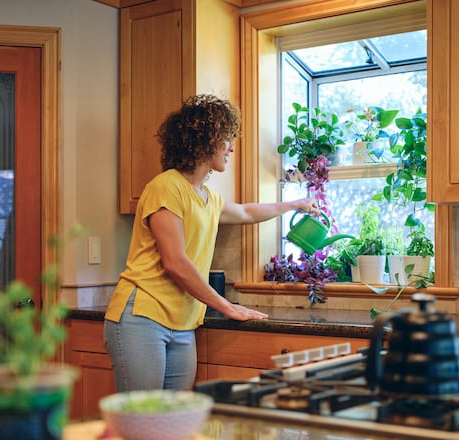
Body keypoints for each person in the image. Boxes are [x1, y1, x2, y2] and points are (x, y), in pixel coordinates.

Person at [104, 94, 319, 392]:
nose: (231, 147)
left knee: (174, 423)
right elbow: (175, 262)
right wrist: (225, 305)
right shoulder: (166, 187)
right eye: (226, 139)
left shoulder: (207, 197)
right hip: (142, 315)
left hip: (182, 323)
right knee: (142, 421)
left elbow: (246, 211)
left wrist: (295, 203)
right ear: (205, 140)